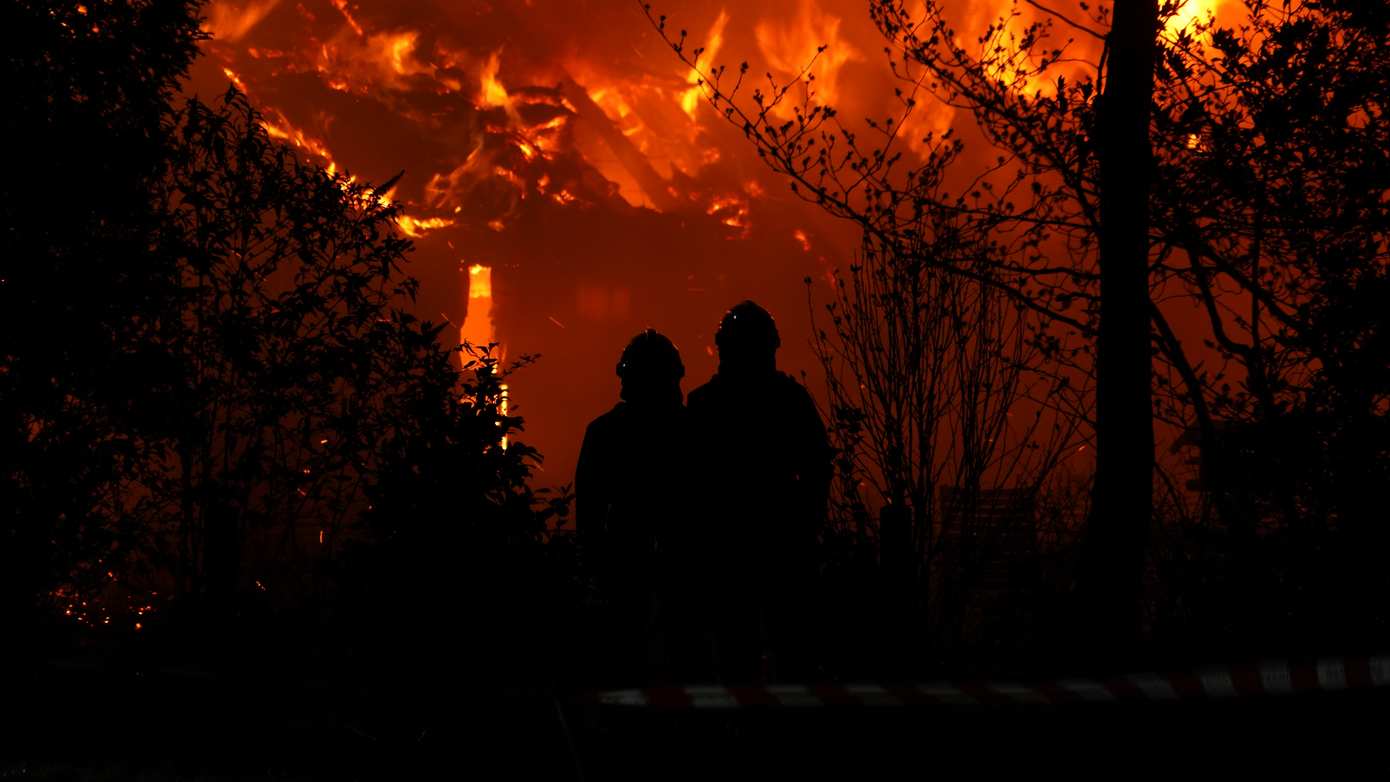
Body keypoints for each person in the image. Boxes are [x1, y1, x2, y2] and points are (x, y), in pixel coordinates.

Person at [687, 300, 832, 683]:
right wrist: (809, 520)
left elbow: (690, 481)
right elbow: (818, 466)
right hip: (774, 540)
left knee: (740, 650)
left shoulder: (704, 403)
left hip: (734, 542)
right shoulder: (789, 399)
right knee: (785, 649)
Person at [575, 329, 693, 686]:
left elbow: (589, 511)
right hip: (674, 558)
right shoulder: (693, 430)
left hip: (629, 559)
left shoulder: (605, 432)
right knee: (682, 658)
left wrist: (593, 563)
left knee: (628, 662)